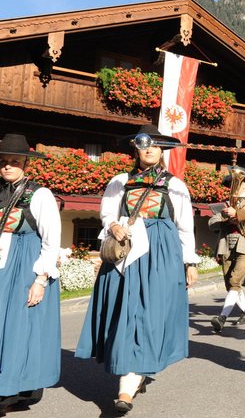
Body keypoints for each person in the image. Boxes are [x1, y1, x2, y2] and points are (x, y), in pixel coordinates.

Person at [75, 124, 199, 414]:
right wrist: (114, 224)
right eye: (145, 145)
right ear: (136, 148)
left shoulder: (175, 185)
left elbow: (185, 227)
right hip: (126, 252)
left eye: (155, 145)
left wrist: (189, 262)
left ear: (162, 150)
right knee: (127, 313)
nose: (149, 149)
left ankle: (131, 382)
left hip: (161, 254)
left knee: (150, 314)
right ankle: (128, 383)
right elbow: (107, 212)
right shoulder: (120, 181)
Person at [0, 134, 61, 409]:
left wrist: (40, 279)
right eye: (3, 161)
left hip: (26, 262)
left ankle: (13, 388)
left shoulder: (39, 194)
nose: (7, 166)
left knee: (19, 327)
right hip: (2, 262)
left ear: (25, 162)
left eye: (14, 161)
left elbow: (51, 240)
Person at [209, 168, 245, 331]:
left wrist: (238, 213)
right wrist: (225, 218)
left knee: (235, 281)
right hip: (226, 245)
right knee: (231, 284)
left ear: (244, 184)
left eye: (237, 184)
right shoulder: (225, 204)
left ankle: (222, 317)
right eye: (231, 185)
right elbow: (212, 222)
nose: (233, 188)